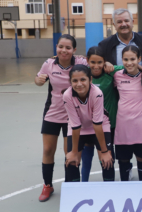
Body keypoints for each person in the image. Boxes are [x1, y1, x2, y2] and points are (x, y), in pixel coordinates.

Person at [34, 34, 88, 202]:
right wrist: (39, 80)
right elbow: (37, 79)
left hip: (73, 115)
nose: (64, 50)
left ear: (74, 50)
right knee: (48, 150)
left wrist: (107, 64)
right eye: (61, 47)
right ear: (56, 47)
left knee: (70, 153)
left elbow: (96, 66)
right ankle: (47, 185)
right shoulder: (49, 64)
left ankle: (71, 186)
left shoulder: (80, 63)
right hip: (52, 113)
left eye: (68, 48)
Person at [63, 65, 114, 182]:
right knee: (71, 161)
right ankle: (75, 193)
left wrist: (105, 152)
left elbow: (97, 124)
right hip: (77, 128)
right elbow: (75, 126)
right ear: (70, 82)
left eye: (83, 80)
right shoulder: (67, 95)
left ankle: (109, 191)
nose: (79, 84)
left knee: (107, 161)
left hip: (99, 126)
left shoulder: (97, 93)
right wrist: (74, 152)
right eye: (74, 80)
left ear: (90, 80)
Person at [80, 46, 124, 182]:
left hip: (108, 124)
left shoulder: (110, 73)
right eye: (93, 62)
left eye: (100, 62)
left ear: (104, 62)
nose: (96, 66)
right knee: (86, 157)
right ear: (87, 61)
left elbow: (130, 67)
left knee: (106, 157)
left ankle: (109, 185)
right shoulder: (83, 76)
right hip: (88, 124)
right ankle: (83, 184)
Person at [113, 45, 142, 181]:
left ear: (139, 59)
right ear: (121, 59)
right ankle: (125, 185)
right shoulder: (117, 75)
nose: (129, 62)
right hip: (123, 126)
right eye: (125, 59)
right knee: (123, 159)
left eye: (133, 59)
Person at [98, 8, 142, 73]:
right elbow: (98, 64)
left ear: (132, 22)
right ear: (114, 25)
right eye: (119, 22)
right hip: (116, 82)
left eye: (126, 21)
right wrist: (105, 63)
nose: (123, 24)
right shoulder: (104, 45)